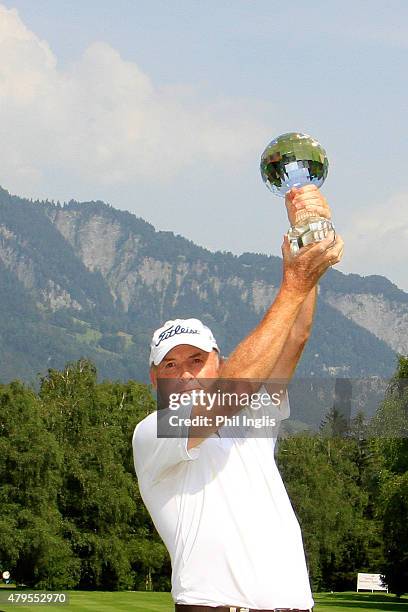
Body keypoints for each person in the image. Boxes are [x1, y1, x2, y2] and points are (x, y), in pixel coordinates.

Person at [132, 185, 344, 612]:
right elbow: (234, 390)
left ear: (219, 364)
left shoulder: (250, 414)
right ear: (155, 379)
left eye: (196, 359)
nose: (185, 372)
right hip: (213, 606)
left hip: (292, 605)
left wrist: (308, 237)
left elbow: (294, 337)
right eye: (170, 366)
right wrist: (293, 282)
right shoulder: (154, 430)